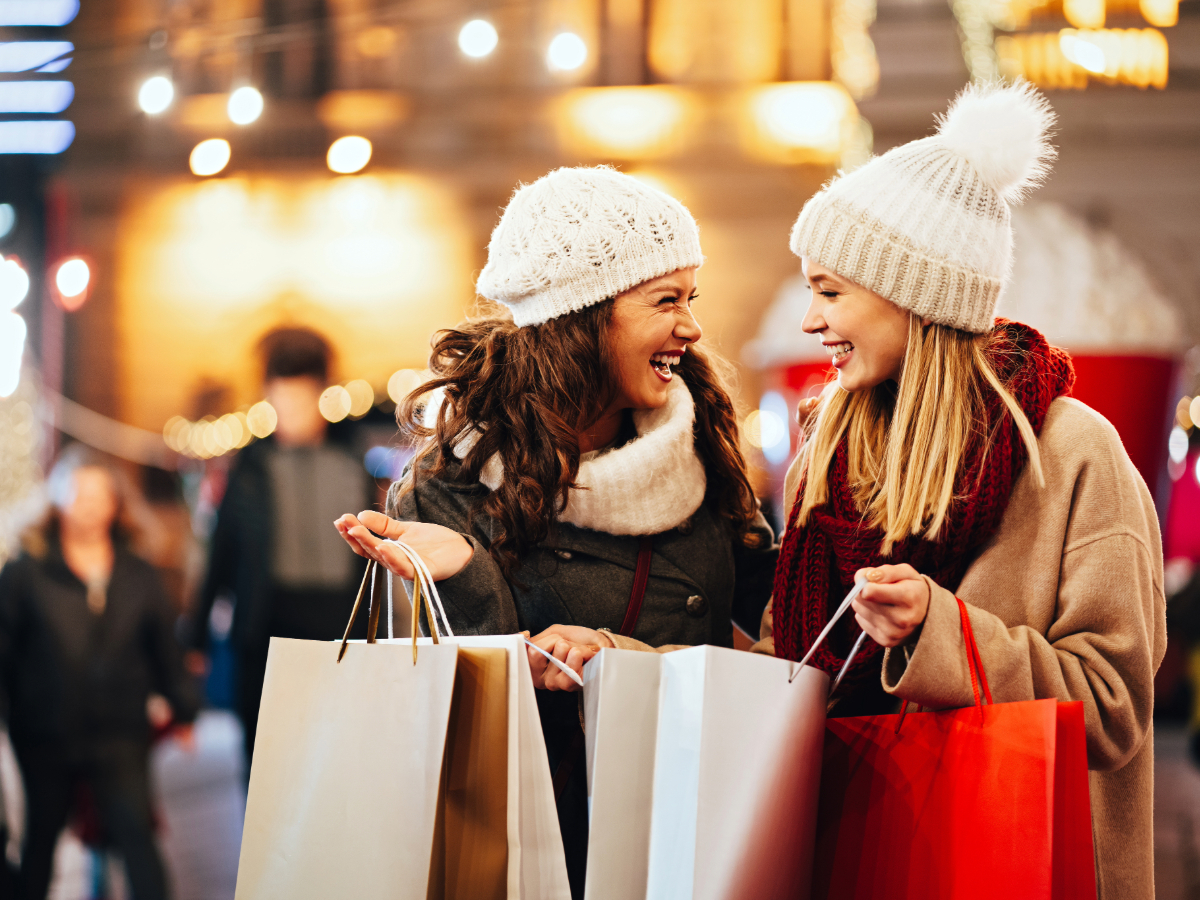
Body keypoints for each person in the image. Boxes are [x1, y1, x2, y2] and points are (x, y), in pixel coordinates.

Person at [756, 82, 1165, 900]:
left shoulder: (1073, 453)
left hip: (1017, 864)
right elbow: (786, 665)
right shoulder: (825, 456)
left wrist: (935, 631)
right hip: (855, 856)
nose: (809, 320)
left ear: (915, 296)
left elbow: (1115, 707)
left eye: (831, 290)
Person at [335, 166, 778, 897]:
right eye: (665, 300)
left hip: (690, 836)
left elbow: (769, 635)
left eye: (690, 298)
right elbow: (462, 736)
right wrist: (466, 574)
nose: (693, 327)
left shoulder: (703, 450)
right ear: (583, 316)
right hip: (534, 860)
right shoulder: (449, 485)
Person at [0, 445, 200, 900]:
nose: (90, 505)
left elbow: (165, 650)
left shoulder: (140, 574)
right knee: (40, 843)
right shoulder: (24, 573)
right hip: (43, 732)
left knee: (137, 840)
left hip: (121, 731)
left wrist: (184, 708)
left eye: (100, 495)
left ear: (116, 503)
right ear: (57, 500)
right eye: (79, 494)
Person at [189, 327, 371, 767]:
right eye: (281, 401)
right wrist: (195, 636)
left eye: (301, 400)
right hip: (266, 628)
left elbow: (375, 552)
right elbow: (222, 553)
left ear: (321, 396)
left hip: (339, 628)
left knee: (334, 753)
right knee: (265, 754)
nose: (291, 412)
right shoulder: (249, 469)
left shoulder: (353, 463)